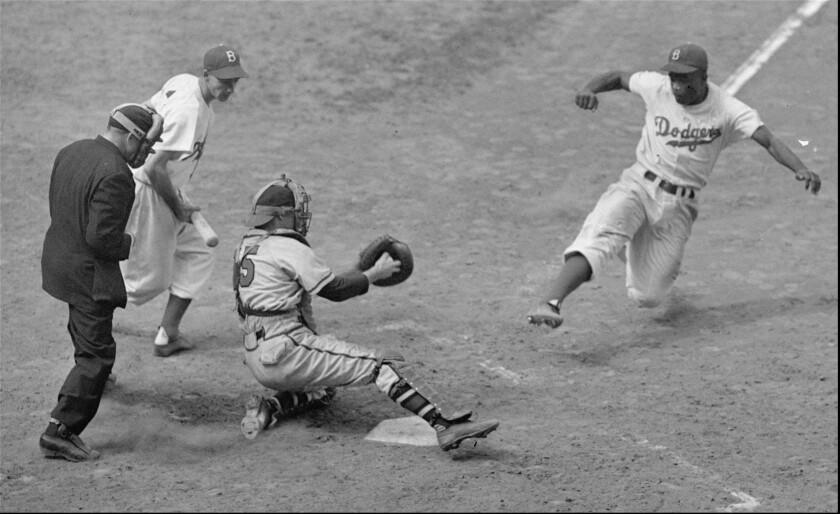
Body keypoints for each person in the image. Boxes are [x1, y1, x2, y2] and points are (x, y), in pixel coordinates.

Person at [527, 42, 821, 329]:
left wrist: (800, 168)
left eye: (685, 78)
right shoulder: (657, 87)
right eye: (674, 77)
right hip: (638, 186)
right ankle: (550, 302)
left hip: (680, 207)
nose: (677, 85)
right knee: (598, 238)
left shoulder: (729, 109)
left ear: (703, 77)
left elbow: (767, 139)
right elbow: (618, 77)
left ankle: (630, 244)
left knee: (648, 297)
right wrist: (588, 88)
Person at [233, 176, 500, 451]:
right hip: (289, 351)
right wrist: (372, 274)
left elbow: (321, 283)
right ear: (279, 217)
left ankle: (270, 408)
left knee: (323, 388)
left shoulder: (247, 247)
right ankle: (446, 425)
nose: (301, 217)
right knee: (385, 364)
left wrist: (358, 269)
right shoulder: (287, 246)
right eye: (295, 213)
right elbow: (335, 290)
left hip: (259, 355)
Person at [40, 104, 164, 461]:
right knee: (97, 355)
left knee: (83, 330)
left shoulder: (72, 151)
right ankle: (60, 430)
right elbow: (101, 238)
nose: (147, 154)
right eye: (146, 145)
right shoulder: (117, 175)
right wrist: (127, 244)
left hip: (59, 262)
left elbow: (62, 206)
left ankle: (92, 385)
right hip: (87, 274)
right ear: (130, 136)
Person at [120, 44, 248, 357]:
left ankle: (168, 333)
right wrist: (178, 208)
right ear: (206, 75)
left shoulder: (184, 82)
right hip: (151, 193)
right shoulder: (190, 112)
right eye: (223, 80)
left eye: (234, 80)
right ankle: (87, 303)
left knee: (199, 251)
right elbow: (153, 168)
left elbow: (145, 109)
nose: (229, 87)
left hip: (163, 188)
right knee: (146, 282)